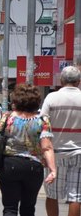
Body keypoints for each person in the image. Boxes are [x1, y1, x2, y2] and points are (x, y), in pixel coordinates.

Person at [0, 84, 56, 216]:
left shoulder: (8, 118)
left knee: (10, 208)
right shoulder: (43, 120)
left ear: (16, 100)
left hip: (10, 164)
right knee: (28, 207)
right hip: (34, 166)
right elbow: (47, 147)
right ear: (37, 101)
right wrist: (53, 170)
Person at [41, 66, 81, 216]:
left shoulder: (51, 98)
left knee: (52, 195)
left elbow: (43, 124)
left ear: (62, 80)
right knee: (76, 196)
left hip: (54, 153)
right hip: (79, 151)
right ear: (78, 82)